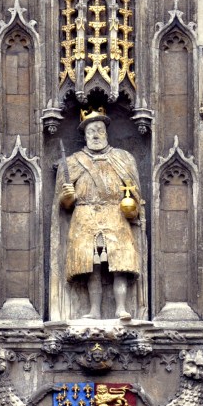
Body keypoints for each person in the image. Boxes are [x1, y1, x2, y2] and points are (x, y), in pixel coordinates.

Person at [57, 108, 143, 320]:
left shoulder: (123, 158)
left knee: (119, 265)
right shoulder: (73, 162)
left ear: (106, 133)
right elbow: (63, 204)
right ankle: (94, 310)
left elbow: (135, 192)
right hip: (85, 216)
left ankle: (121, 308)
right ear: (84, 135)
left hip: (115, 215)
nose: (95, 135)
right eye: (90, 131)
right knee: (92, 266)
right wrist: (67, 196)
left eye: (99, 130)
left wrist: (131, 206)